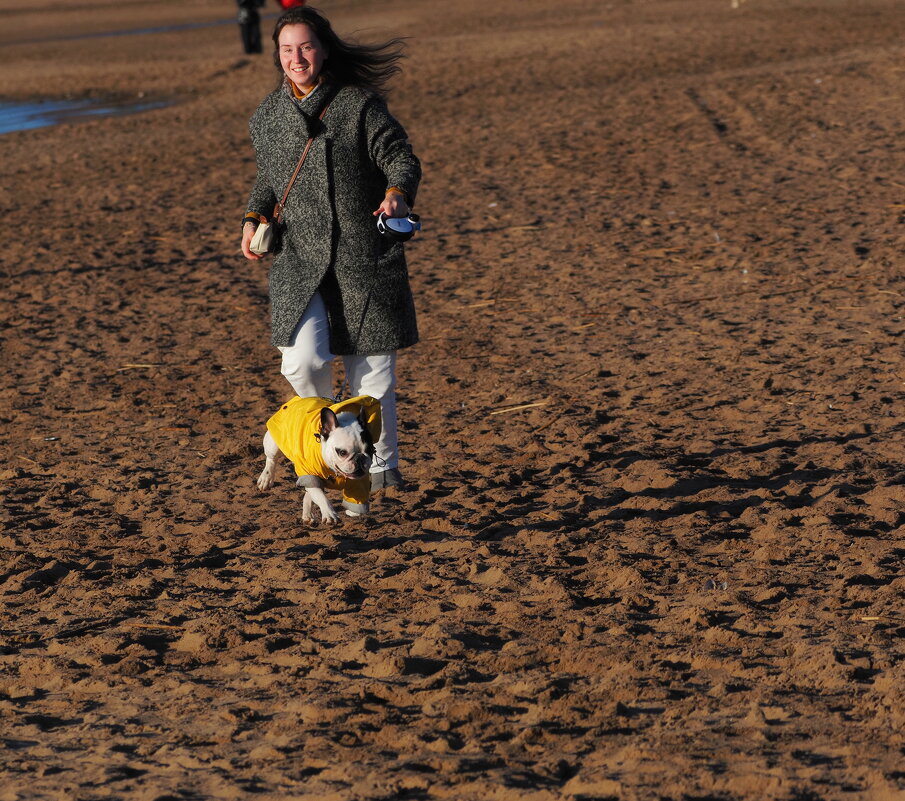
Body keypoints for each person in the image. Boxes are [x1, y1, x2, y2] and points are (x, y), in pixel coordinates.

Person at [241, 5, 421, 493]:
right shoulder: (268, 117)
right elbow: (269, 180)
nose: (296, 57)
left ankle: (380, 471)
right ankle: (328, 438)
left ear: (322, 49)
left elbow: (399, 156)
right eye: (286, 49)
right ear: (277, 56)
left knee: (373, 375)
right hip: (301, 259)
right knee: (301, 361)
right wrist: (253, 218)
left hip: (364, 255)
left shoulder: (357, 104)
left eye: (305, 46)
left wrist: (396, 192)